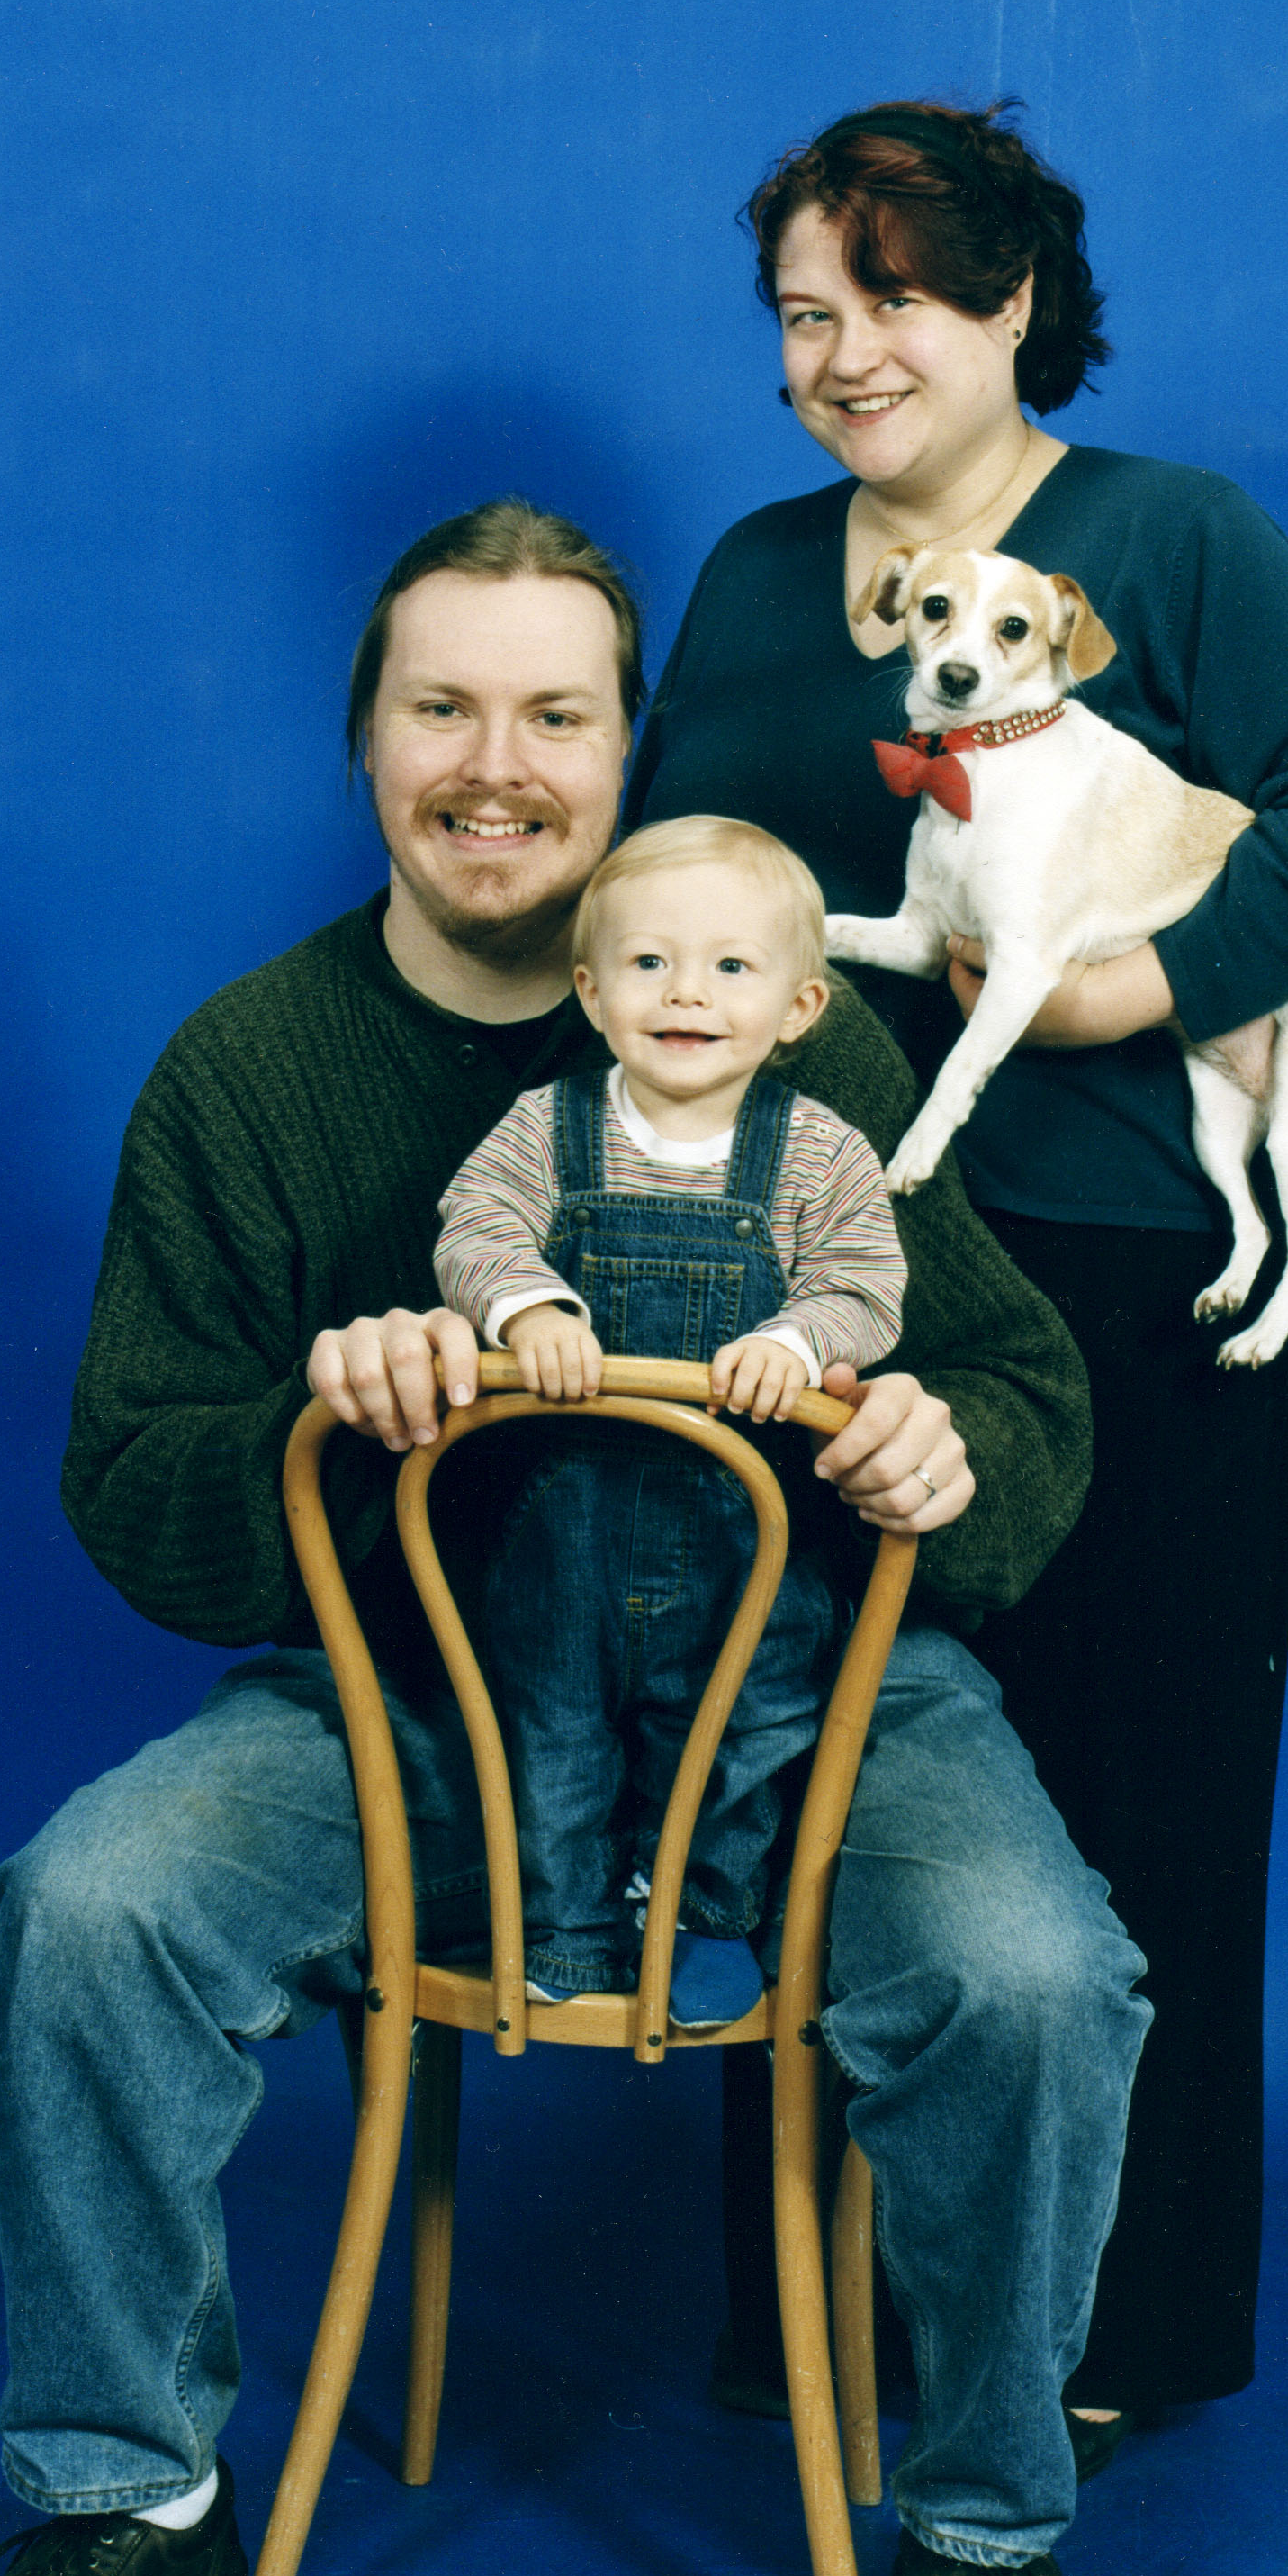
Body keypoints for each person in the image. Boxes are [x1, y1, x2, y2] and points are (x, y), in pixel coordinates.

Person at [0, 497, 1150, 2576]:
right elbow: (130, 1483)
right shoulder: (250, 1068)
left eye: (555, 717)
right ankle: (133, 2502)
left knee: (1035, 1972)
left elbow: (1016, 1386)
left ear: (624, 751)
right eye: (441, 708)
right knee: (95, 1904)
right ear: (365, 739)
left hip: (803, 1694)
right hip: (425, 1696)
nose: (494, 766)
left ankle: (981, 2539)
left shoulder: (791, 1031)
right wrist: (330, 1412)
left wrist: (937, 1443)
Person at [625, 101, 1288, 2459]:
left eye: (890, 298)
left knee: (1132, 1808)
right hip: (799, 1271)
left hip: (1115, 1276)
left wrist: (1132, 991)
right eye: (804, 312)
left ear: (1008, 303)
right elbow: (675, 879)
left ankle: (1107, 2329)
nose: (843, 354)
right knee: (816, 1789)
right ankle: (826, 2314)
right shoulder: (759, 573)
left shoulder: (1171, 539)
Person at [435, 814, 906, 2030]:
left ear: (799, 1007)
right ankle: (565, 1928)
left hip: (747, 1536)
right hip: (568, 1533)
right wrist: (529, 1305)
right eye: (649, 963)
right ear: (593, 994)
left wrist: (795, 1340)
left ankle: (702, 1912)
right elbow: (473, 1226)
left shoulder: (820, 1155)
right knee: (554, 1730)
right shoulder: (547, 1130)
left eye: (731, 967)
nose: (687, 992)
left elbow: (868, 1287)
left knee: (752, 1726)